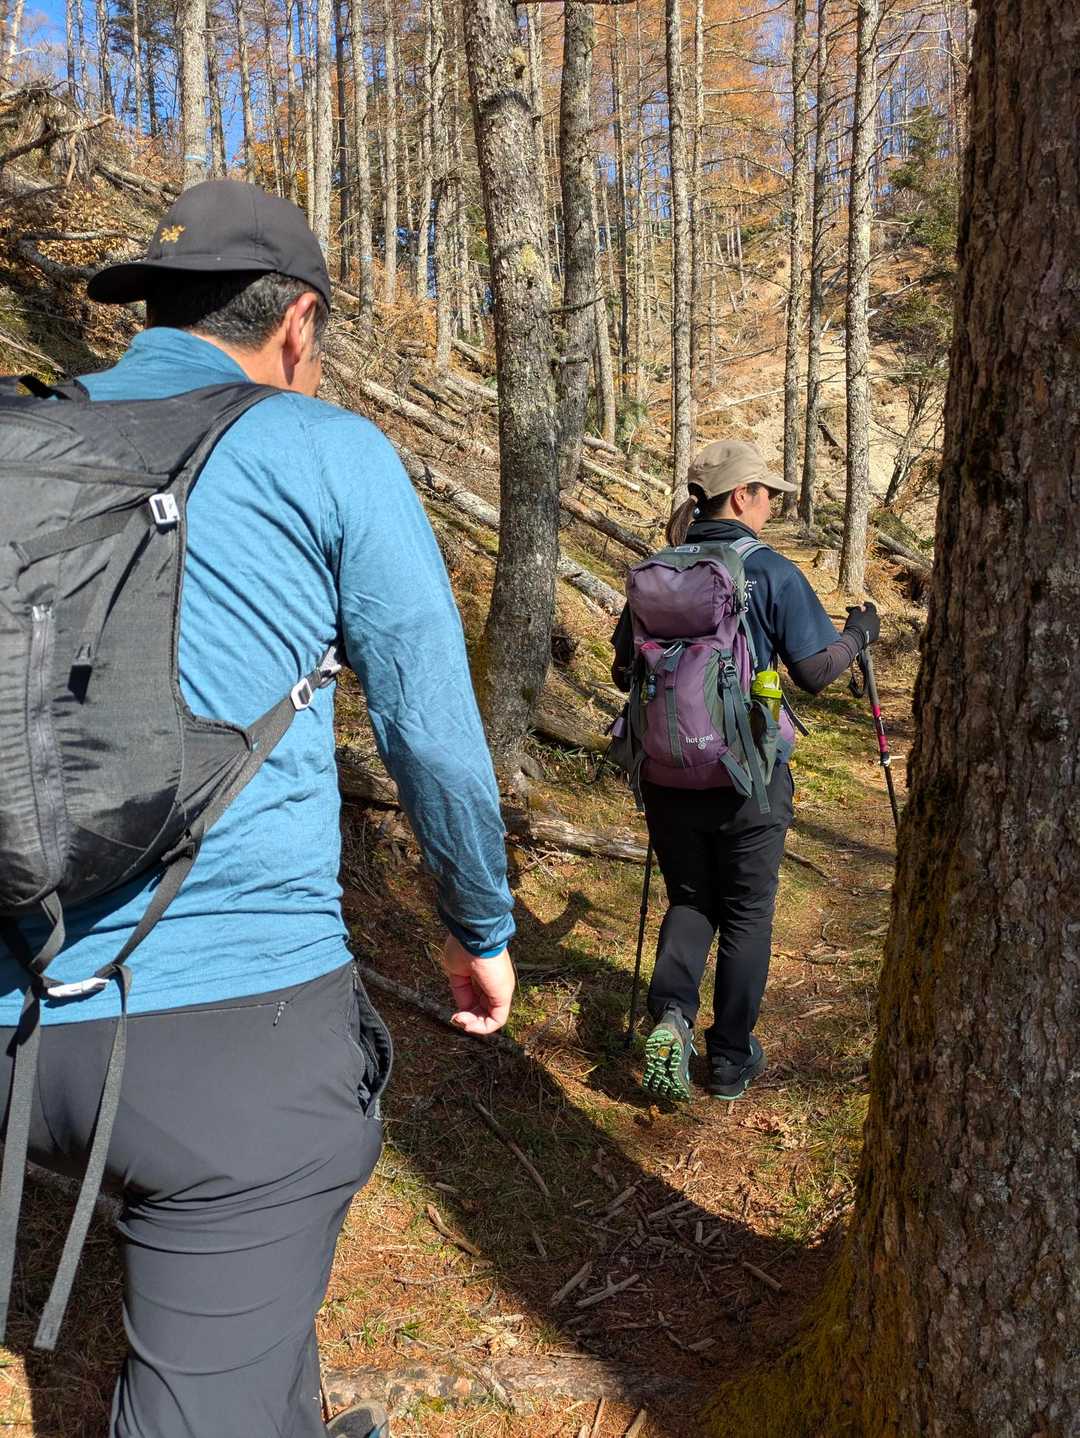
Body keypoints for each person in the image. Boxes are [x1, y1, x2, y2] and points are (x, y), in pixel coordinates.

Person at [0, 181, 517, 1438]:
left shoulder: (23, 443)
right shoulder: (327, 450)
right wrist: (479, 925)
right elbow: (432, 734)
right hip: (234, 1037)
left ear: (147, 310)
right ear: (299, 324)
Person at [611, 439, 878, 1103]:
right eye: (767, 495)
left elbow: (623, 671)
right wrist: (860, 634)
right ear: (740, 497)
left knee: (691, 899)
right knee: (747, 914)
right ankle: (729, 1059)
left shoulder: (658, 571)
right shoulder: (771, 570)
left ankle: (672, 1017)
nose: (772, 506)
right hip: (747, 778)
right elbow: (815, 671)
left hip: (667, 775)